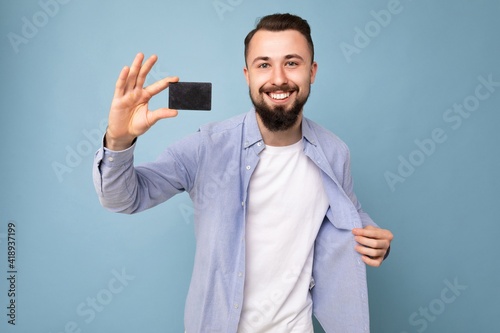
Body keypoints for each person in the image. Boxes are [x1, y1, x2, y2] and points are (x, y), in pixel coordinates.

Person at [93, 13, 393, 333]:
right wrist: (119, 140)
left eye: (292, 62)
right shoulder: (208, 146)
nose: (278, 78)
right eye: (264, 64)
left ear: (312, 71)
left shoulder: (335, 152)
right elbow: (123, 199)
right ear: (247, 75)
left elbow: (348, 216)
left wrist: (376, 242)